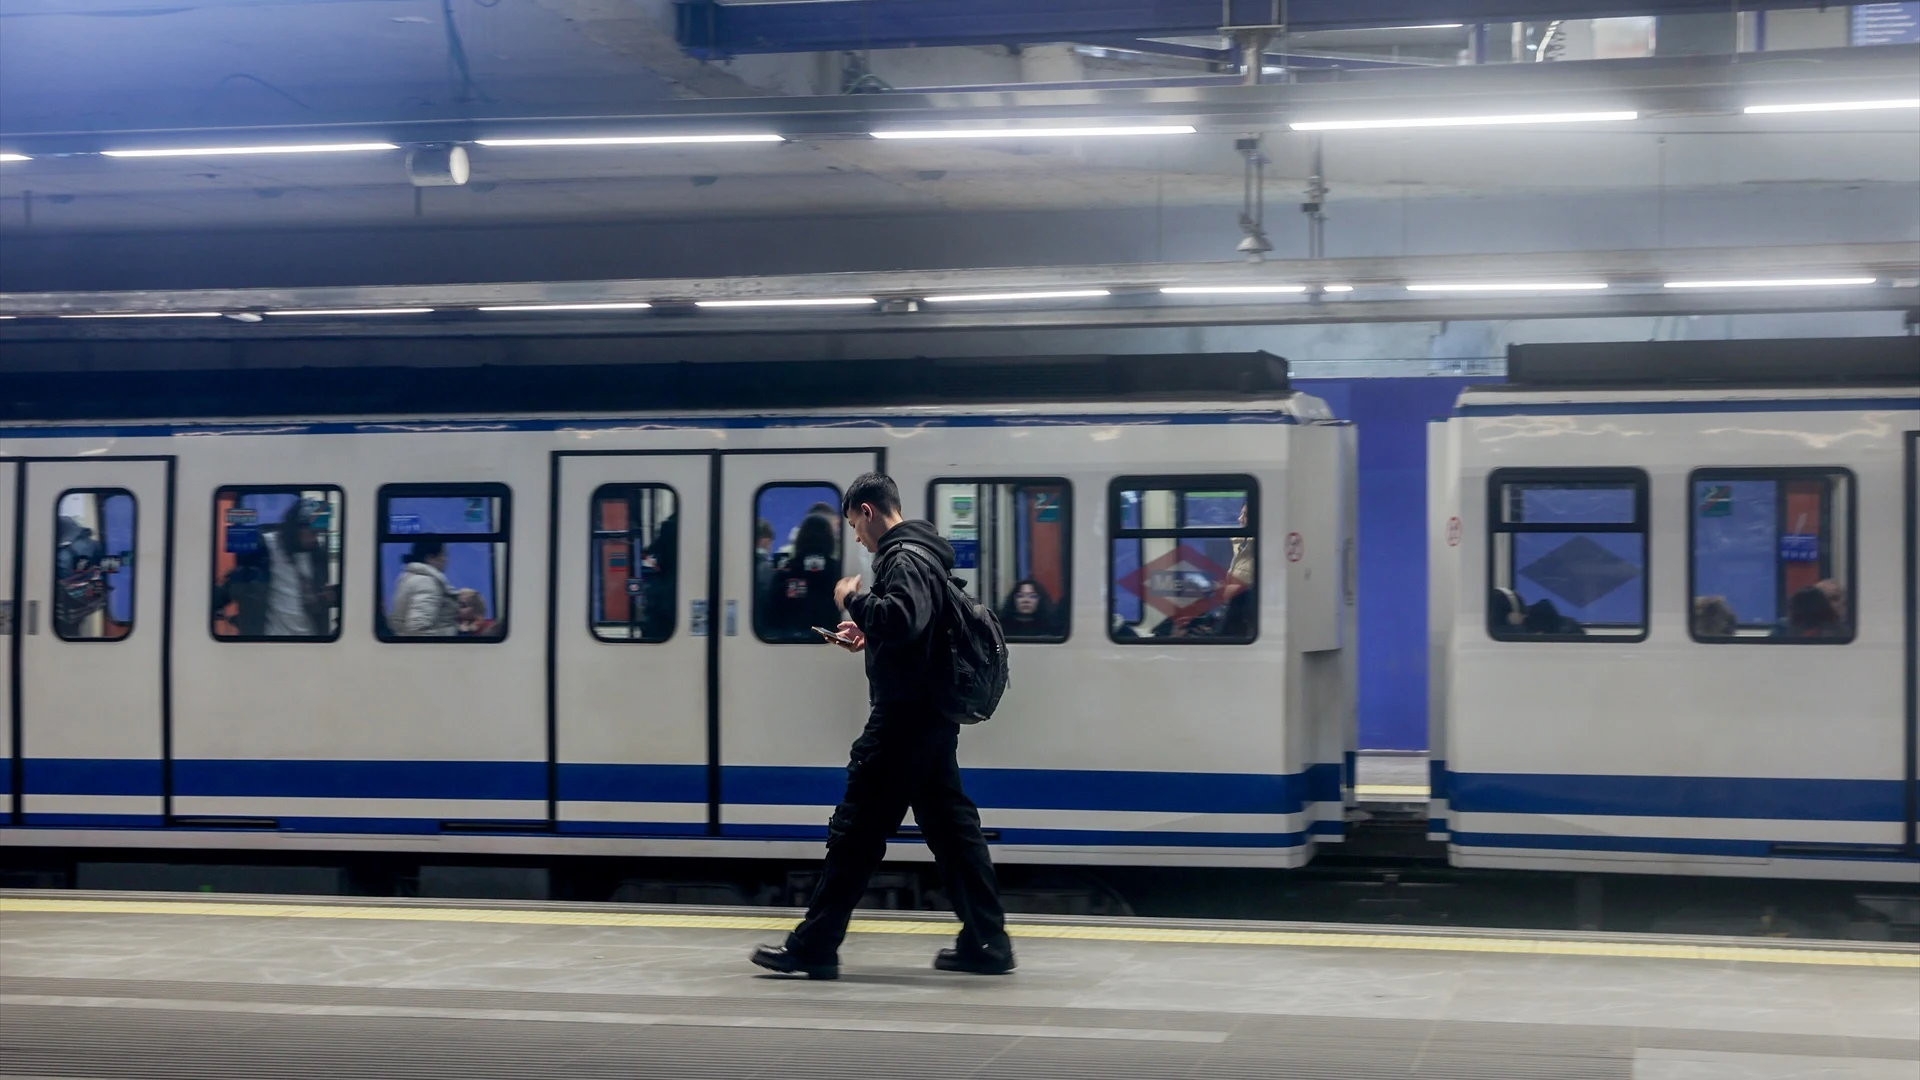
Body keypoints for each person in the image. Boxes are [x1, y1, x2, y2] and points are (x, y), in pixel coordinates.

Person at [752, 472, 1012, 980]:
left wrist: (851, 599)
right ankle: (987, 943)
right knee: (954, 834)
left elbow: (903, 619)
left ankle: (815, 945)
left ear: (868, 511)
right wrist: (866, 635)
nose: (855, 536)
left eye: (854, 524)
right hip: (926, 720)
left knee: (855, 833)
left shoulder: (902, 556)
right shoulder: (925, 555)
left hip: (902, 721)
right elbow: (913, 629)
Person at [762, 511, 842, 641]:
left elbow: (771, 616)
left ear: (800, 538)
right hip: (830, 640)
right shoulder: (838, 571)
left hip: (786, 642)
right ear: (829, 539)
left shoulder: (785, 572)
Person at [389, 540, 459, 637]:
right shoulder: (427, 583)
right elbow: (418, 630)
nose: (446, 560)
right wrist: (453, 634)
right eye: (443, 555)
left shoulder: (408, 577)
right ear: (430, 558)